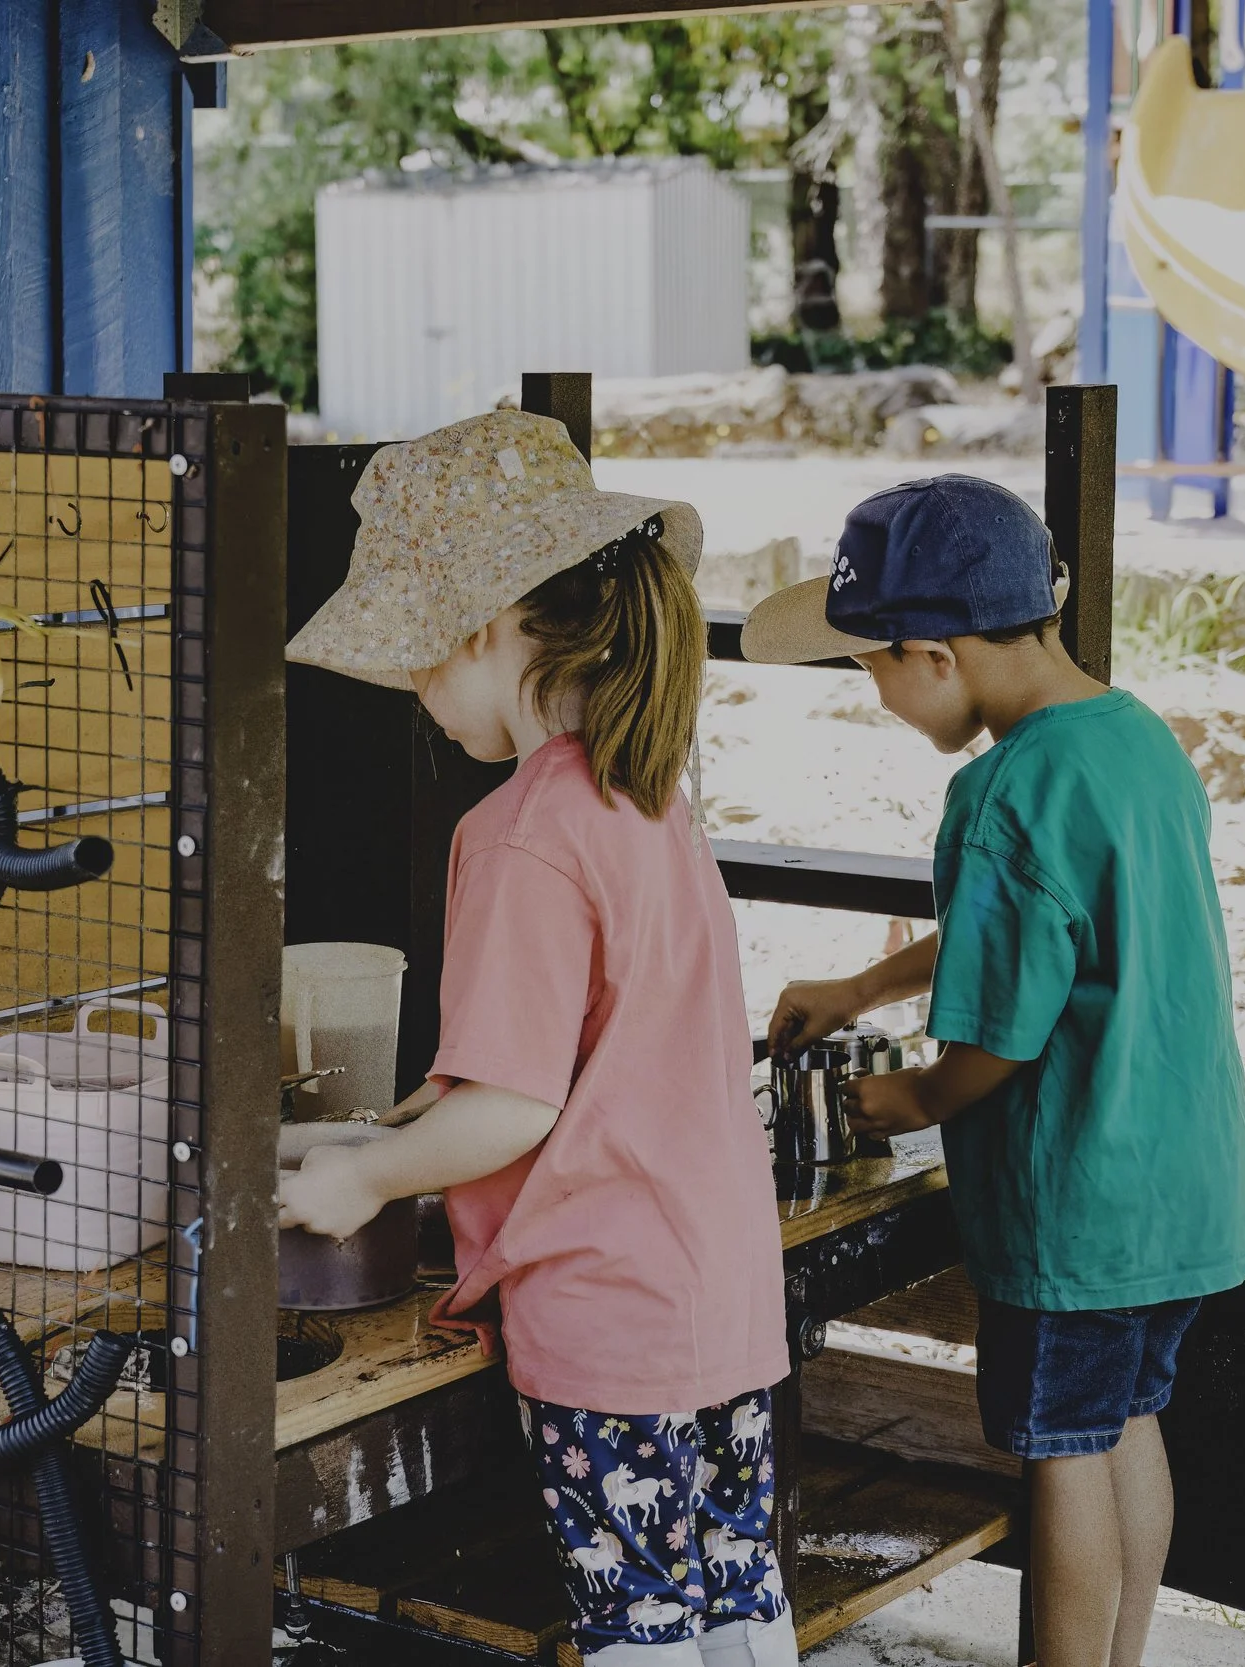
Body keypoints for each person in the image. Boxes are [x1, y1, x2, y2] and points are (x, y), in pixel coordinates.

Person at [279, 411, 794, 1667]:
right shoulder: (651, 793)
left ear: (480, 627)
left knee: (638, 1636)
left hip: (610, 1307)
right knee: (734, 1607)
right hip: (720, 1289)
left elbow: (517, 1107)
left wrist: (360, 1172)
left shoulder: (517, 829)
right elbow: (612, 1048)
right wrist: (419, 1109)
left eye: (416, 656)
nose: (411, 687)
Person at [744, 476, 1245, 1667]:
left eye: (866, 666)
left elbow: (1000, 1034)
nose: (871, 691)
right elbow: (1044, 922)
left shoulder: (1001, 787)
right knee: (1125, 1421)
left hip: (1076, 1198)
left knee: (1060, 1451)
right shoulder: (1130, 736)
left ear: (930, 652)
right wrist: (863, 987)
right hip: (1179, 1182)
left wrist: (910, 1096)